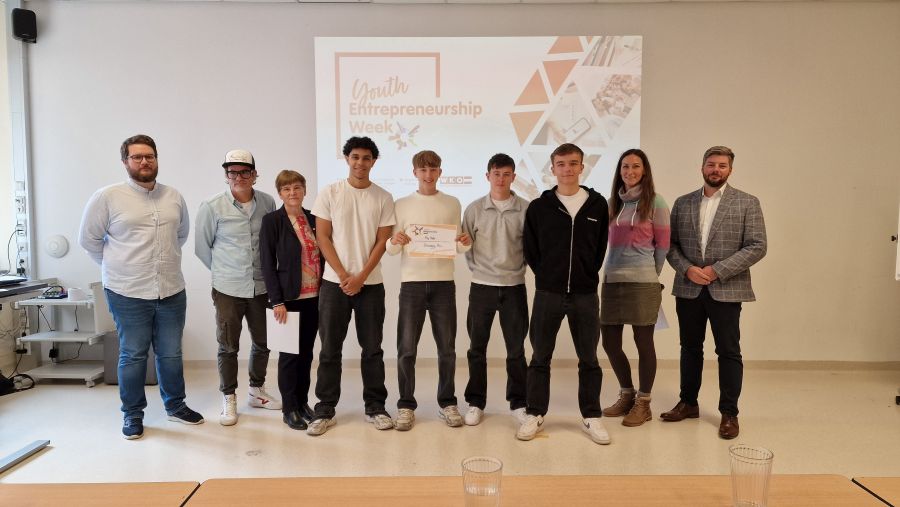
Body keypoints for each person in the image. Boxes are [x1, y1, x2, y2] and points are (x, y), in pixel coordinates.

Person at [79, 134, 203, 440]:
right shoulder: (107, 197)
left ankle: (175, 406)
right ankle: (132, 414)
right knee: (133, 355)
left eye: (149, 156)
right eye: (137, 157)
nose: (144, 161)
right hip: (127, 291)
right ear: (125, 162)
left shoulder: (173, 196)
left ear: (157, 159)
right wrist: (119, 267)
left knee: (171, 353)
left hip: (171, 289)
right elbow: (89, 240)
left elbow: (180, 235)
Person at [662, 145, 767, 440]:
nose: (716, 170)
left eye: (722, 165)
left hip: (727, 289)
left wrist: (717, 270)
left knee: (728, 351)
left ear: (730, 170)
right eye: (711, 164)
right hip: (689, 288)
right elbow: (670, 245)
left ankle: (729, 413)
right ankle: (688, 403)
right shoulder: (683, 203)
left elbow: (757, 245)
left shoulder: (747, 202)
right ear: (702, 167)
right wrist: (687, 269)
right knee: (689, 348)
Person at [517, 143, 610, 445]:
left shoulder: (597, 205)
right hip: (548, 293)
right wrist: (547, 275)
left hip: (585, 294)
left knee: (589, 358)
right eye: (561, 164)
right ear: (552, 168)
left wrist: (586, 275)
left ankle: (591, 415)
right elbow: (531, 249)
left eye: (573, 163)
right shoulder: (539, 207)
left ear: (582, 167)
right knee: (539, 357)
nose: (567, 169)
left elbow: (599, 248)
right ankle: (534, 413)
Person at [307, 136, 396, 436]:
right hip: (334, 285)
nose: (360, 162)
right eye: (355, 157)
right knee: (330, 350)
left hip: (371, 285)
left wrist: (360, 277)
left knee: (372, 349)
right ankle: (324, 409)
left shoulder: (383, 197)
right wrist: (345, 274)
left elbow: (383, 241)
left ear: (373, 161)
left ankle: (376, 407)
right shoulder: (330, 192)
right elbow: (322, 237)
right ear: (347, 159)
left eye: (366, 158)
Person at [386, 150, 471, 431]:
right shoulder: (401, 204)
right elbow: (391, 249)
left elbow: (457, 244)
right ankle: (405, 405)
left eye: (433, 169)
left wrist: (465, 242)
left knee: (447, 349)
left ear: (440, 172)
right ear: (414, 173)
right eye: (423, 170)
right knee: (406, 349)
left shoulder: (452, 202)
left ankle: (447, 403)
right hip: (411, 284)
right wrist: (395, 241)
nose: (428, 174)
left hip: (443, 284)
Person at [195, 149, 279, 427]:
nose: (238, 177)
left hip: (262, 287)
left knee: (263, 343)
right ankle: (229, 397)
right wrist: (225, 273)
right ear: (226, 175)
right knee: (228, 346)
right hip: (228, 289)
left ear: (254, 175)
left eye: (245, 172)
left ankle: (256, 391)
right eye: (232, 172)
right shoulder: (211, 206)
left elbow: (272, 242)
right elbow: (202, 248)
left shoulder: (267, 202)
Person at [599, 149, 670, 427]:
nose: (630, 171)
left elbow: (663, 246)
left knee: (643, 343)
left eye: (636, 166)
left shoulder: (656, 202)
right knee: (610, 342)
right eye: (625, 166)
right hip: (612, 280)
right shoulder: (612, 204)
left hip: (643, 282)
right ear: (620, 171)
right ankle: (627, 394)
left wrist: (652, 274)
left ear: (644, 170)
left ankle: (644, 402)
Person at [461, 153, 530, 427]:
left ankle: (519, 403)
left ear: (514, 177)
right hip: (482, 287)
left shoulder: (526, 209)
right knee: (476, 349)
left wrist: (517, 271)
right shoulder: (474, 209)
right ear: (487, 176)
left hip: (514, 288)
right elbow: (466, 246)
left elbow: (530, 248)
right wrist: (480, 270)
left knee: (516, 350)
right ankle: (476, 402)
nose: (501, 179)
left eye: (506, 174)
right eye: (496, 174)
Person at [260, 170, 322, 431]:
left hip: (314, 297)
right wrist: (277, 301)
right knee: (289, 356)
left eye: (297, 187)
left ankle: (302, 403)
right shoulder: (272, 221)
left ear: (304, 190)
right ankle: (289, 408)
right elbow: (266, 263)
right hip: (287, 300)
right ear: (280, 193)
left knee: (306, 354)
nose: (292, 193)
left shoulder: (314, 218)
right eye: (286, 189)